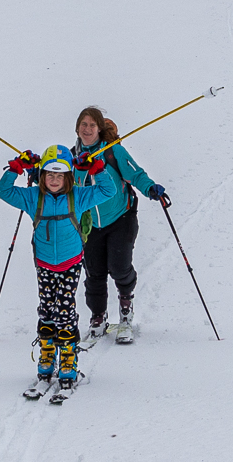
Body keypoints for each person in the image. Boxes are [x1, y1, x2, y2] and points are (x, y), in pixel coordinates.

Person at [0, 143, 128, 395]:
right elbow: (3, 191)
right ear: (42, 176)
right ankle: (47, 361)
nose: (54, 180)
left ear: (68, 177)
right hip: (44, 263)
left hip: (70, 263)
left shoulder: (78, 195)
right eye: (49, 175)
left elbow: (108, 189)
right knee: (46, 309)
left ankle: (69, 363)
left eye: (60, 175)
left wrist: (96, 168)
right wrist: (16, 168)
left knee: (64, 309)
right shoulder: (33, 197)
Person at [71, 107, 170, 345]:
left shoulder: (113, 151)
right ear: (77, 128)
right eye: (83, 125)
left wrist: (150, 188)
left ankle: (125, 311)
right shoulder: (72, 156)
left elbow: (135, 174)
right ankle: (98, 317)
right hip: (89, 224)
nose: (87, 130)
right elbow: (56, 179)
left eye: (92, 125)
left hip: (120, 218)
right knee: (94, 273)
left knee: (119, 267)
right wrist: (37, 173)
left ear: (99, 129)